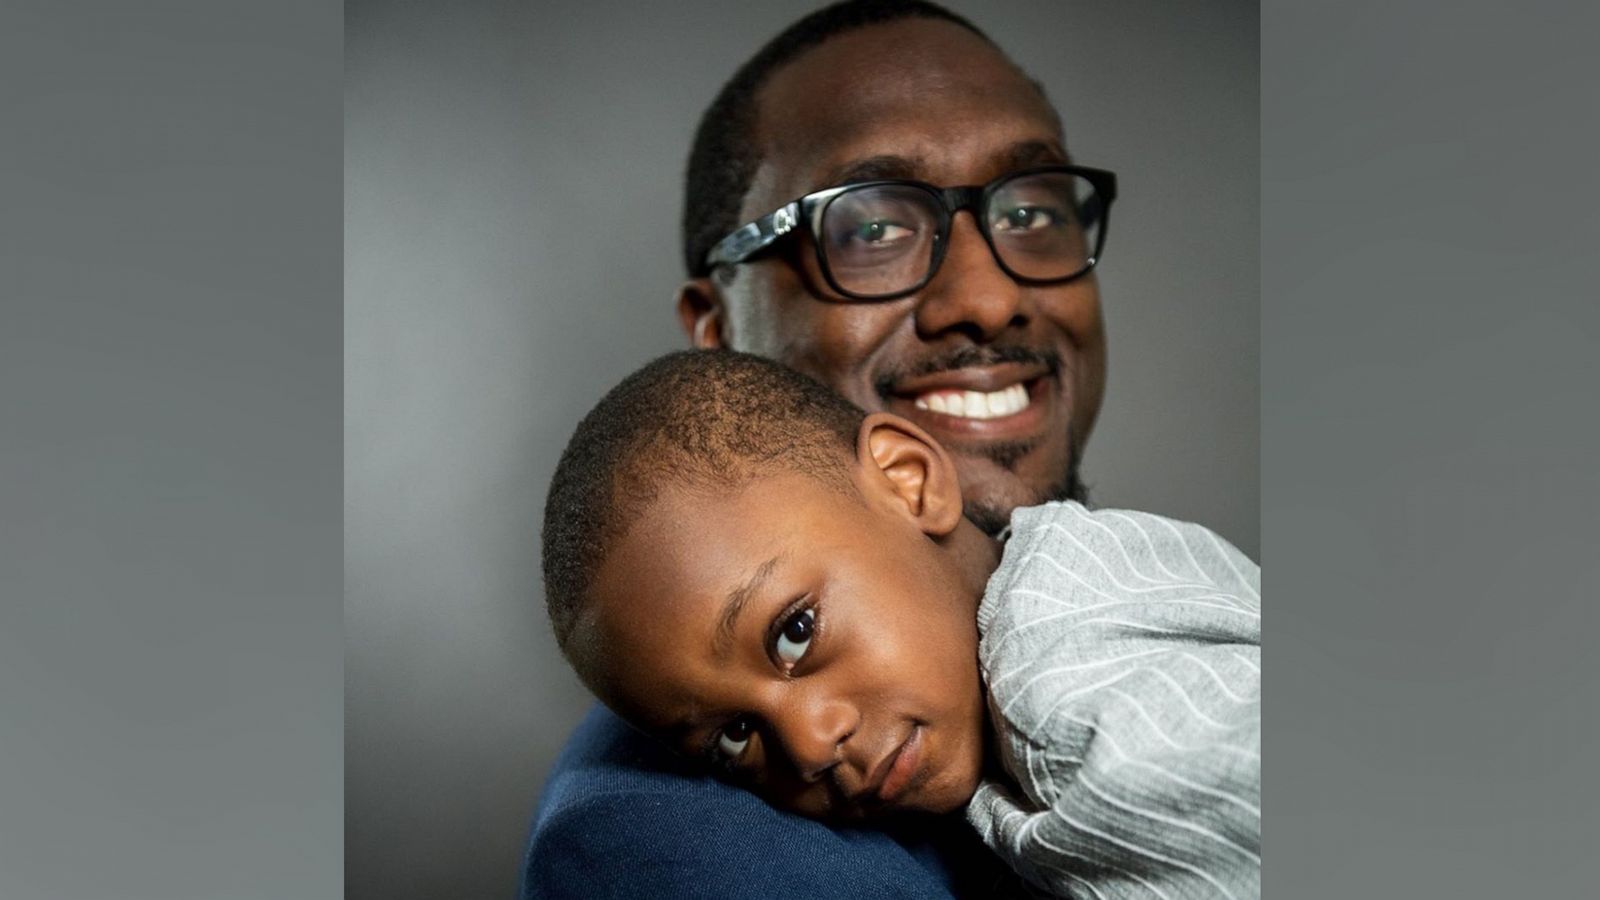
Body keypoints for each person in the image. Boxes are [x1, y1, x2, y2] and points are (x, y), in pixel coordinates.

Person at [523, 1, 1156, 896]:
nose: (986, 296)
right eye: (869, 229)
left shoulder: (1145, 627)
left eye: (1030, 209)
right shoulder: (679, 846)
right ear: (716, 328)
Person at [539, 349, 1261, 899]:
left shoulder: (1058, 710)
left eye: (795, 632)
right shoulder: (1086, 554)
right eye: (734, 737)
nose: (810, 745)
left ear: (907, 482)